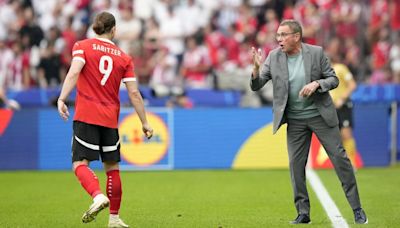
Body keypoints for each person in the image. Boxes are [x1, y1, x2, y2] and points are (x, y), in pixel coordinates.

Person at [250, 19, 367, 224]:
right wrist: (256, 69)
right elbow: (256, 85)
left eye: (283, 35)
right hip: (295, 120)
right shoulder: (273, 57)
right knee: (296, 166)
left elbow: (333, 79)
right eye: (278, 35)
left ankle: (357, 208)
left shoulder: (316, 53)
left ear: (296, 36)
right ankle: (303, 213)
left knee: (341, 160)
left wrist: (317, 84)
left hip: (320, 115)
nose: (279, 39)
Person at [57, 12, 153, 228]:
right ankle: (114, 219)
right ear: (114, 30)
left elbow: (74, 72)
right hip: (110, 119)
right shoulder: (123, 57)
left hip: (87, 115)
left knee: (79, 163)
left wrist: (62, 98)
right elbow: (134, 93)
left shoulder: (82, 46)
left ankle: (97, 195)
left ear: (95, 28)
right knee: (113, 167)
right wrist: (145, 123)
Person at [326, 38, 359, 169]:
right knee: (337, 137)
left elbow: (352, 85)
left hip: (343, 105)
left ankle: (352, 163)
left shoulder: (340, 68)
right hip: (332, 108)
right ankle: (342, 164)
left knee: (346, 134)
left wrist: (342, 99)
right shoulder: (324, 74)